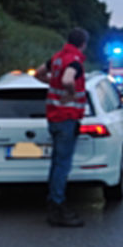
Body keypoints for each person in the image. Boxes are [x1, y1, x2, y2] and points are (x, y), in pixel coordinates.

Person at [33, 27, 90, 228]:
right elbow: (67, 79)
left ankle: (53, 203)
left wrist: (52, 82)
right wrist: (71, 92)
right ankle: (58, 206)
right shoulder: (75, 60)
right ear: (83, 44)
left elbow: (38, 74)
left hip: (53, 117)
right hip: (67, 118)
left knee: (57, 162)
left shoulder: (57, 58)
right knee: (62, 165)